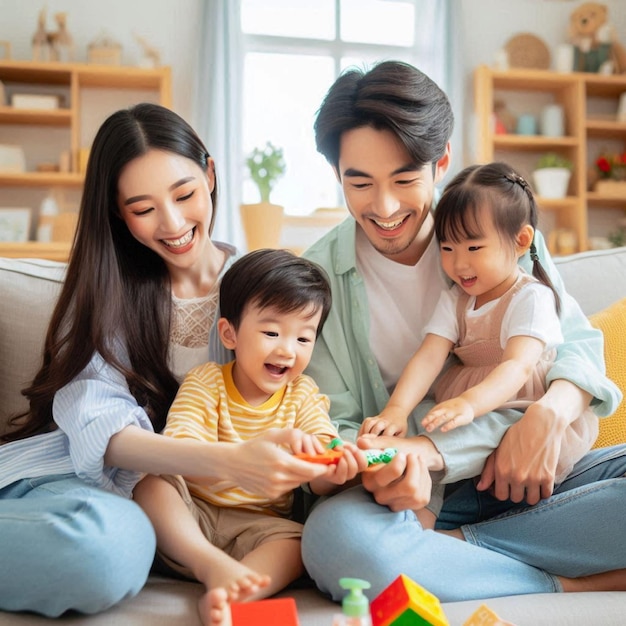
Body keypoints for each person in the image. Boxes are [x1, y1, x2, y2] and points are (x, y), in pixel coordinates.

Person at [300, 60, 626, 602]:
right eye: (360, 183)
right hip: (425, 497)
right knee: (338, 541)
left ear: (441, 161)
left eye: (404, 180)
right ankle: (560, 580)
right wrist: (388, 463)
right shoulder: (315, 282)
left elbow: (578, 349)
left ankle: (448, 556)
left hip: (536, 465)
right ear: (337, 174)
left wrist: (550, 412)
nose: (383, 208)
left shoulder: (499, 233)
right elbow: (332, 424)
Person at [0, 103, 333, 618]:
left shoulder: (263, 291)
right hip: (75, 481)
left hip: (142, 511)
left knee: (115, 549)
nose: (174, 223)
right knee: (107, 548)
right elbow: (100, 428)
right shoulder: (105, 291)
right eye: (143, 207)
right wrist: (231, 461)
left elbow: (308, 400)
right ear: (116, 211)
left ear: (211, 175)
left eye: (184, 194)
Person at [359, 161, 603, 527]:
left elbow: (517, 367)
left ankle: (425, 454)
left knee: (491, 423)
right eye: (447, 248)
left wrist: (469, 405)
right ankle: (423, 510)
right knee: (420, 412)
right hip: (473, 395)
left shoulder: (531, 297)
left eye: (474, 247)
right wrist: (395, 410)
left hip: (521, 401)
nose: (459, 264)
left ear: (521, 241)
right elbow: (429, 355)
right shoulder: (456, 298)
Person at [136, 248, 368, 626]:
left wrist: (337, 470)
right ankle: (210, 565)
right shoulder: (207, 382)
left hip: (258, 528)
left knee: (297, 542)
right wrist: (245, 458)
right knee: (151, 482)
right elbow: (182, 456)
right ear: (230, 333)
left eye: (303, 339)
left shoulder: (303, 394)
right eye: (272, 332)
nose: (286, 350)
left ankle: (233, 593)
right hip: (190, 519)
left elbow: (323, 465)